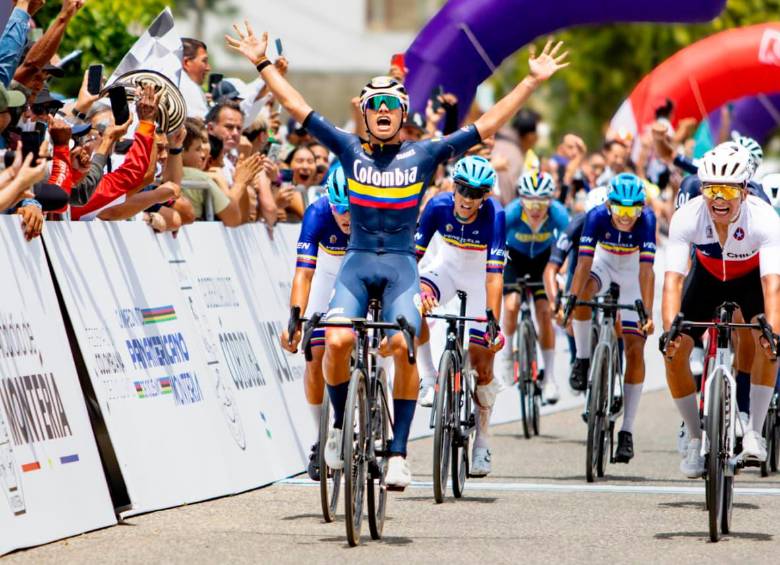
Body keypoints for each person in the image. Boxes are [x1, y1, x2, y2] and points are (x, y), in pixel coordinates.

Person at [226, 21, 569, 489]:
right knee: (338, 343)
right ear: (364, 116)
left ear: (402, 113)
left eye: (392, 105)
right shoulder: (348, 150)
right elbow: (295, 106)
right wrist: (261, 63)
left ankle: (399, 452)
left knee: (407, 345)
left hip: (403, 269)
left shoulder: (423, 156)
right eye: (375, 105)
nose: (384, 110)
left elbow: (488, 125)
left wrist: (530, 81)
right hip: (357, 264)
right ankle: (342, 427)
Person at [660, 143, 780, 477]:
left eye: (727, 189)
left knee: (768, 347)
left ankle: (754, 432)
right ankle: (696, 438)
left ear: (744, 189)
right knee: (673, 352)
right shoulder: (688, 215)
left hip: (749, 281)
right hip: (707, 278)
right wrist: (670, 328)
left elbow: (773, 285)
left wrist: (774, 330)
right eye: (711, 189)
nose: (719, 199)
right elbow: (672, 280)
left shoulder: (765, 218)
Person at [414, 155, 505, 476]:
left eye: (476, 193)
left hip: (481, 282)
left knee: (483, 367)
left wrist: (492, 317)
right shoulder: (437, 207)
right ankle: (428, 378)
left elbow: (495, 276)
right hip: (446, 273)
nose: (467, 199)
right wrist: (414, 293)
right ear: (454, 186)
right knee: (413, 306)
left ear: (486, 195)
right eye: (463, 190)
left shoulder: (496, 215)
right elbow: (414, 260)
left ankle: (483, 441)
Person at [566, 173, 656, 464]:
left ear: (641, 207)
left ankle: (627, 431)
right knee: (583, 294)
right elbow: (583, 264)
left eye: (633, 210)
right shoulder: (594, 216)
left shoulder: (648, 220)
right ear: (608, 204)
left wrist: (647, 313)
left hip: (632, 274)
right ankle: (582, 358)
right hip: (603, 265)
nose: (627, 216)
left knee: (635, 348)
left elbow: (646, 272)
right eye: (620, 209)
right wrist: (571, 299)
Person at [281, 165, 350, 481]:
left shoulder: (372, 212)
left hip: (361, 273)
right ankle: (322, 435)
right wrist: (295, 319)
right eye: (340, 208)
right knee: (314, 355)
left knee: (379, 342)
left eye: (351, 209)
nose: (346, 216)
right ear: (329, 202)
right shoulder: (317, 212)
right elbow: (304, 273)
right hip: (327, 274)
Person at [498, 171, 569, 404]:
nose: (536, 208)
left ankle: (549, 377)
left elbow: (571, 242)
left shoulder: (558, 213)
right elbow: (493, 240)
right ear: (521, 199)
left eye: (541, 202)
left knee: (545, 312)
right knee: (511, 305)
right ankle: (507, 356)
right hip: (514, 259)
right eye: (530, 202)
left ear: (550, 200)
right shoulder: (511, 213)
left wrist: (563, 266)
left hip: (542, 260)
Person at [544, 186, 608, 362]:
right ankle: (577, 360)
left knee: (617, 320)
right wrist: (555, 301)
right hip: (579, 269)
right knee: (571, 317)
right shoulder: (576, 225)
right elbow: (552, 267)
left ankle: (616, 368)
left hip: (607, 268)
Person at [180, 38, 211, 119]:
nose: (208, 68)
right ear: (187, 62)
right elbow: (203, 127)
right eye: (204, 61)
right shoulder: (188, 87)